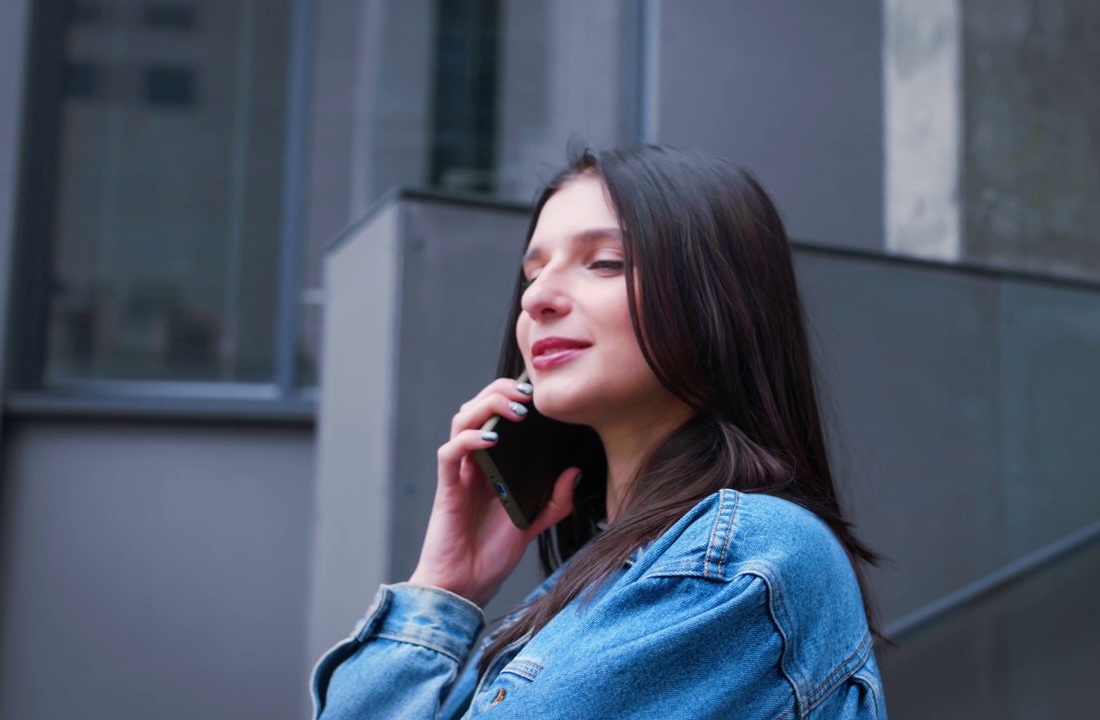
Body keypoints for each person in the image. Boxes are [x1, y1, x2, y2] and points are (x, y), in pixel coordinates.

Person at [310, 145, 888, 718]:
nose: (536, 297)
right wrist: (444, 586)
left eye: (605, 262)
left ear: (719, 299)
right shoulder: (593, 584)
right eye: (532, 273)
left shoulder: (740, 557)